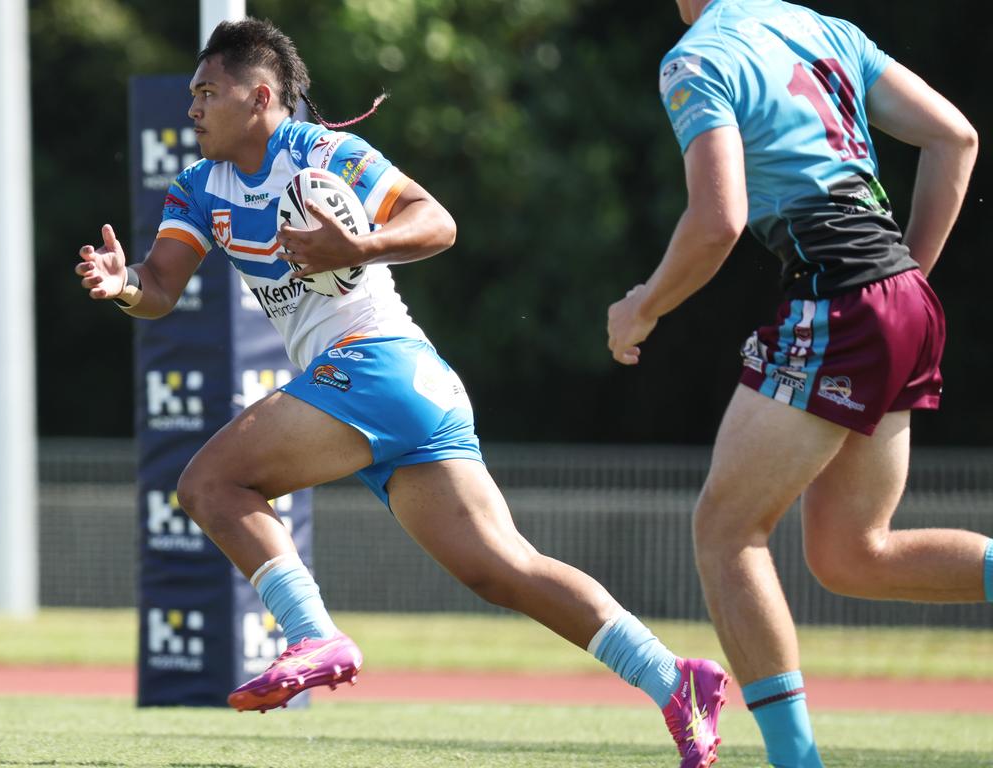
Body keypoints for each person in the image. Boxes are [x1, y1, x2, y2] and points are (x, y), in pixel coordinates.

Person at [76, 18, 727, 767]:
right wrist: (121, 284)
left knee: (211, 483)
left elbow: (437, 222)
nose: (191, 108)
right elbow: (159, 287)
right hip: (410, 386)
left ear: (259, 97)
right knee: (503, 569)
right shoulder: (199, 187)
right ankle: (674, 679)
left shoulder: (322, 153)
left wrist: (362, 246)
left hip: (376, 364)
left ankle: (313, 634)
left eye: (206, 93)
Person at [607, 1, 988, 766]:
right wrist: (900, 282)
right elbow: (956, 136)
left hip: (843, 294)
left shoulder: (697, 55)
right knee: (852, 554)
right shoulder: (820, 28)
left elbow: (718, 221)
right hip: (901, 293)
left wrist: (639, 308)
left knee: (725, 531)